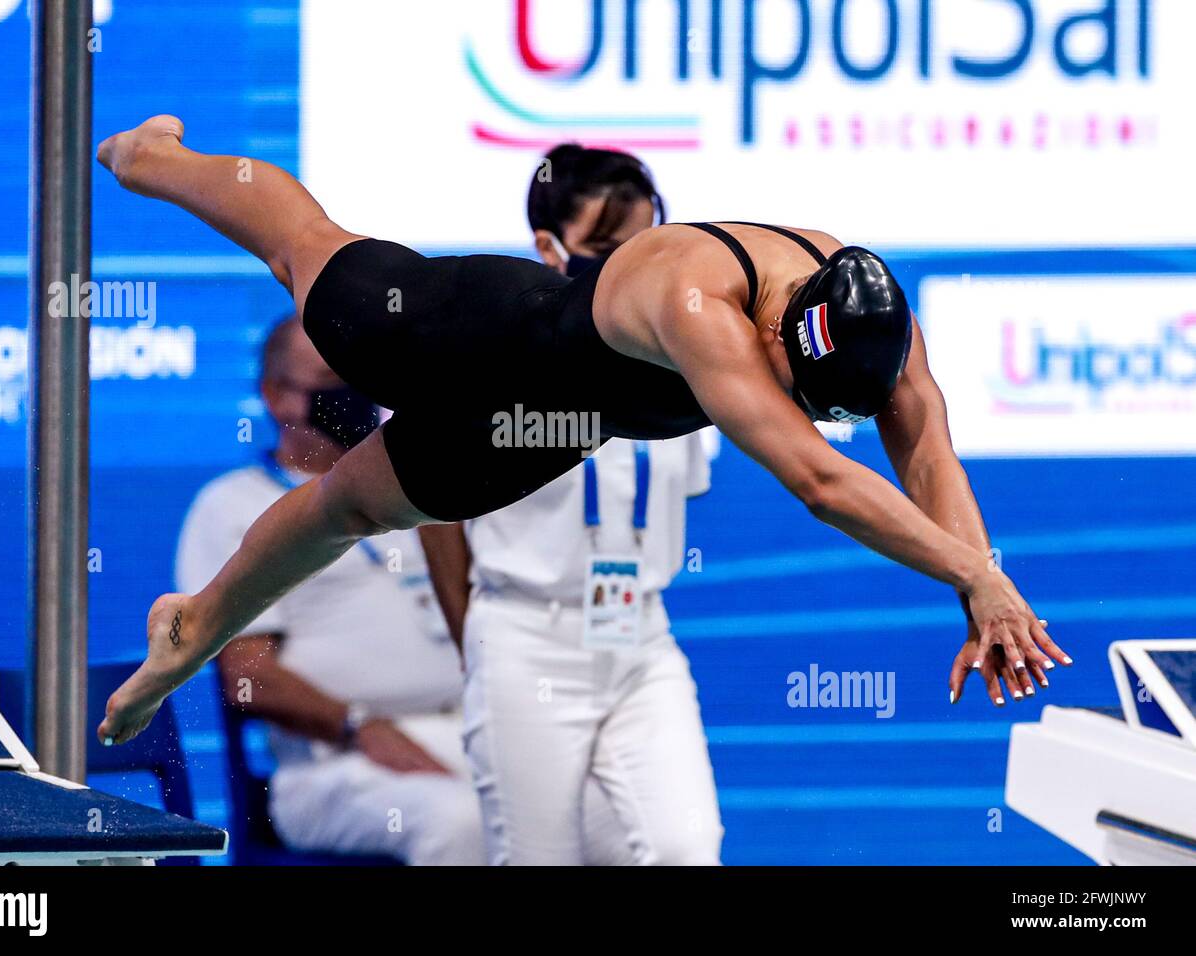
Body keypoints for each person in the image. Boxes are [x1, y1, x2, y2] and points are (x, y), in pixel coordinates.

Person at [94, 114, 1071, 748]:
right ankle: (156, 158)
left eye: (825, 401)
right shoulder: (700, 302)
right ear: (773, 328)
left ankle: (193, 618)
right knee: (306, 253)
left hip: (545, 427)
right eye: (797, 387)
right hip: (470, 333)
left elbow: (925, 448)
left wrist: (977, 577)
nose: (805, 407)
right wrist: (973, 572)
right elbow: (818, 482)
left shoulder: (871, 321)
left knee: (348, 504)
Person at [420, 144, 723, 864]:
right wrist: (481, 646)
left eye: (646, 244)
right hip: (526, 637)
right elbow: (434, 509)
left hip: (641, 636)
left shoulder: (689, 346)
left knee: (686, 848)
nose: (630, 267)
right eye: (604, 248)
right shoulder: (487, 346)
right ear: (547, 248)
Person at [179, 317, 483, 865]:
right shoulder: (234, 506)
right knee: (459, 822)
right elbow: (248, 676)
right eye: (331, 376)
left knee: (599, 810)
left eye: (361, 373)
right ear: (278, 397)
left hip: (470, 731)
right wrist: (360, 726)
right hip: (336, 761)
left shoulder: (416, 495)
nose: (353, 391)